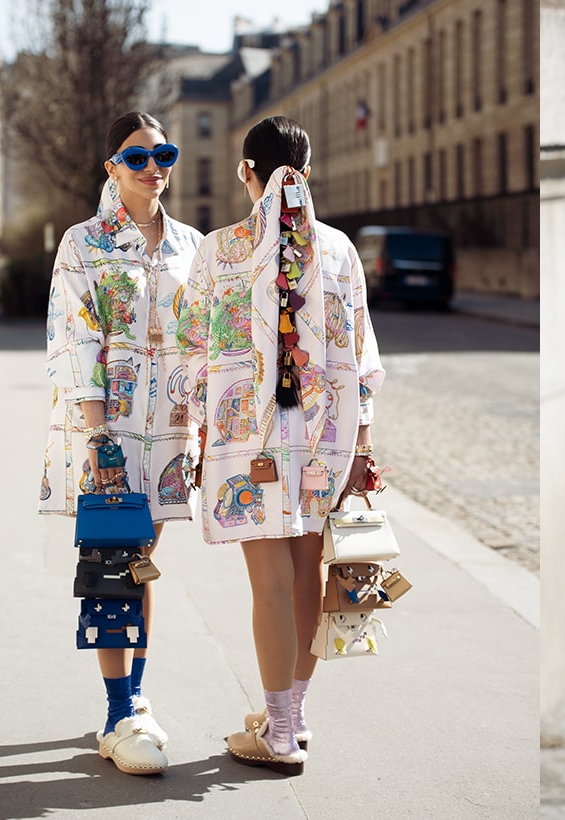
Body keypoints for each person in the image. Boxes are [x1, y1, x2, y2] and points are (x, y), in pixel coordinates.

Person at [177, 116, 385, 776]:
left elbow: (189, 349)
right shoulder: (341, 250)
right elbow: (363, 357)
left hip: (250, 443)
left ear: (246, 172)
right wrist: (363, 447)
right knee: (307, 576)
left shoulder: (219, 250)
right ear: (308, 170)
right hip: (326, 440)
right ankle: (288, 716)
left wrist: (198, 412)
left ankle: (279, 736)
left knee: (268, 585)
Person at [41, 111, 202, 775]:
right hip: (107, 430)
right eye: (137, 158)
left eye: (162, 154)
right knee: (114, 560)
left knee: (139, 563)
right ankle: (118, 713)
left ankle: (132, 696)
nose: (154, 167)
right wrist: (98, 429)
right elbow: (71, 335)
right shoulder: (84, 242)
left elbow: (207, 335)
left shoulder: (191, 243)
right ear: (111, 168)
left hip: (170, 430)